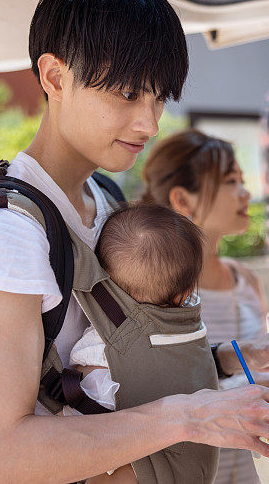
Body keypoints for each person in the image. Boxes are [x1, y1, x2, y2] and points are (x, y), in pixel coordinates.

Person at [0, 0, 269, 483]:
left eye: (158, 97)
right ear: (55, 78)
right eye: (128, 95)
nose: (149, 123)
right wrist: (193, 414)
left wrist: (240, 356)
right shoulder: (12, 232)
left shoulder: (105, 201)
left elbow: (117, 366)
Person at [142, 130, 269, 484]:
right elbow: (152, 399)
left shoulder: (245, 280)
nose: (246, 193)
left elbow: (256, 368)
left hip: (257, 470)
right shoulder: (153, 290)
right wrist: (252, 392)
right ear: (183, 199)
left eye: (242, 180)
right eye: (231, 181)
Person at [68, 204, 205, 482]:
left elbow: (87, 403)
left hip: (116, 453)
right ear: (184, 295)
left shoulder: (100, 344)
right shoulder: (182, 332)